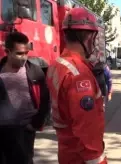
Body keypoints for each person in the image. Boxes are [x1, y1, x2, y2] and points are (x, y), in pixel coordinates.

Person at [46, 8, 107, 164]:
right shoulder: (78, 74)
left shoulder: (57, 65)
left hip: (66, 151)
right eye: (94, 37)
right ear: (87, 37)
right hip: (80, 156)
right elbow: (87, 130)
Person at [0, 32, 50, 164]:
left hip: (25, 130)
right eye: (19, 53)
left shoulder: (35, 71)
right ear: (7, 52)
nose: (24, 58)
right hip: (3, 130)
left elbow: (45, 100)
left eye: (26, 53)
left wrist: (35, 124)